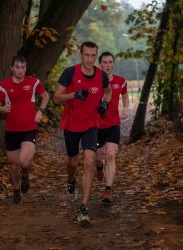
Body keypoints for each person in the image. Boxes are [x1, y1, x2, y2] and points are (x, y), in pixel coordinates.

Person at [53, 41, 112, 225]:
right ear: (81, 55)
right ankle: (70, 180)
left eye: (93, 55)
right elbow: (56, 98)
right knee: (73, 161)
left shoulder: (101, 75)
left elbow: (108, 92)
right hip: (71, 124)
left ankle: (83, 207)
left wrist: (104, 104)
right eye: (86, 55)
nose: (90, 59)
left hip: (91, 124)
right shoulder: (70, 72)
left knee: (88, 162)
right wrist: (73, 95)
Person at [0, 55, 49, 204]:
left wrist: (40, 111)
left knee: (24, 162)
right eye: (17, 67)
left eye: (23, 67)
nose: (20, 70)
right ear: (12, 68)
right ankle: (16, 189)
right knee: (13, 164)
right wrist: (3, 108)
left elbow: (45, 97)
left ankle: (26, 173)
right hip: (11, 131)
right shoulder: (3, 86)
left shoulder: (33, 82)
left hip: (29, 129)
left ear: (26, 68)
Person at [96, 51, 129, 206]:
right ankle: (98, 166)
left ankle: (107, 190)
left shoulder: (121, 81)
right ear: (100, 64)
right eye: (104, 62)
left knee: (110, 155)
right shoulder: (94, 81)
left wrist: (125, 108)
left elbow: (125, 95)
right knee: (99, 155)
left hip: (113, 124)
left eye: (110, 62)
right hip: (96, 126)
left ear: (113, 64)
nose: (107, 65)